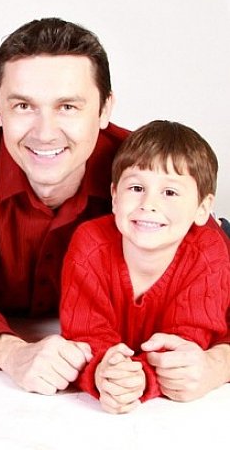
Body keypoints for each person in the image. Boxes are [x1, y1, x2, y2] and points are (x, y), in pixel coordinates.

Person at [0, 17, 230, 399]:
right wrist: (12, 353)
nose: (45, 132)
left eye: (68, 106)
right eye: (23, 105)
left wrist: (218, 365)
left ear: (104, 109)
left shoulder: (140, 176)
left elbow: (212, 262)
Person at [60, 120, 230, 413]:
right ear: (115, 197)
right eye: (137, 187)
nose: (148, 204)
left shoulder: (208, 253)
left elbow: (187, 343)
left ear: (203, 208)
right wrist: (106, 372)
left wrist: (141, 380)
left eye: (170, 192)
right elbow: (86, 333)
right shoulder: (89, 245)